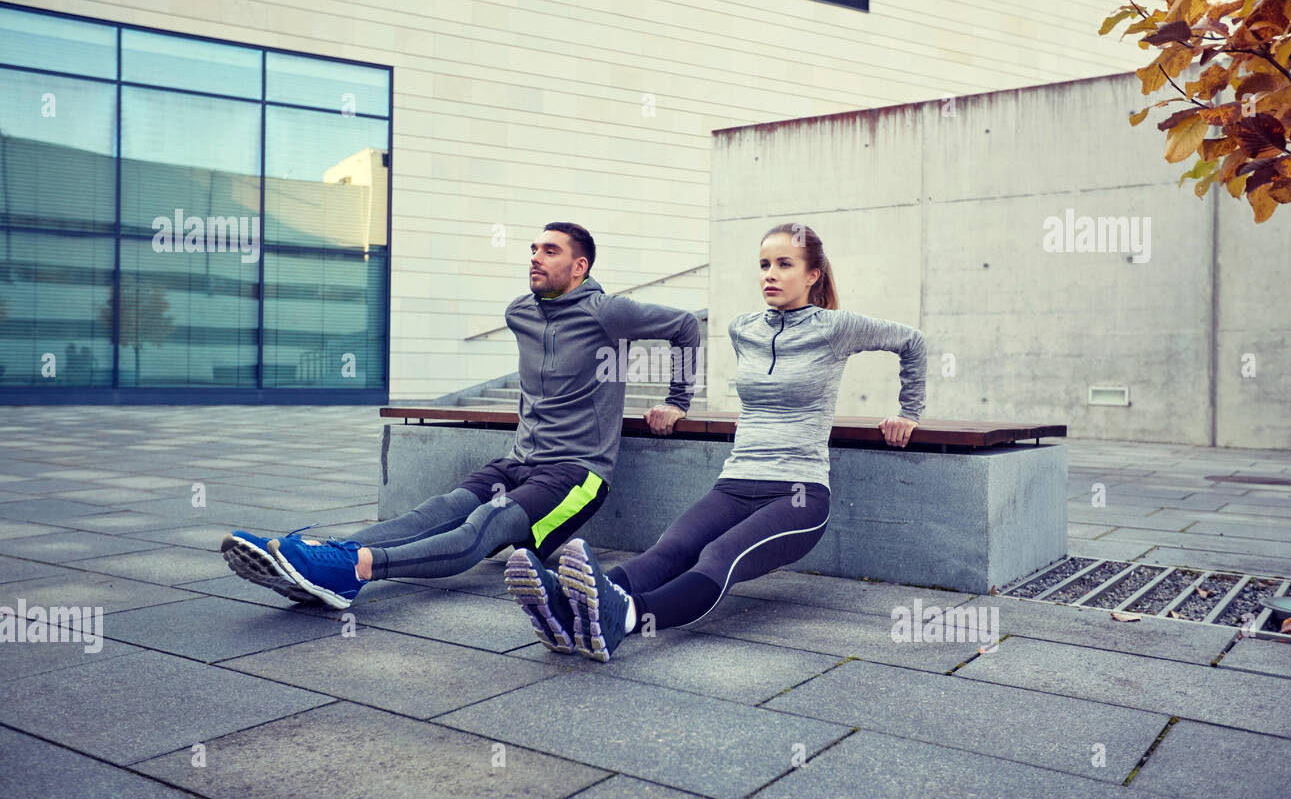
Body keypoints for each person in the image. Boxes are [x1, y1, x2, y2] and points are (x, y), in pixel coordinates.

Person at [220, 221, 700, 610]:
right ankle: (325, 558)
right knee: (437, 509)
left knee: (481, 529)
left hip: (575, 474)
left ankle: (355, 569)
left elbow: (683, 326)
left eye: (549, 251)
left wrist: (678, 400)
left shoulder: (607, 311)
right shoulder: (521, 312)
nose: (534, 256)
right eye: (533, 248)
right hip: (519, 460)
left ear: (580, 266)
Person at [504, 222, 927, 662]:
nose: (770, 274)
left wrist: (907, 412)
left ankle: (624, 617)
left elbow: (911, 342)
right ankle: (571, 609)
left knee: (717, 556)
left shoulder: (837, 328)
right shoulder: (745, 328)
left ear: (812, 275)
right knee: (670, 549)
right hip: (734, 483)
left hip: (798, 494)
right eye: (764, 265)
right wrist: (678, 402)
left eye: (785, 265)